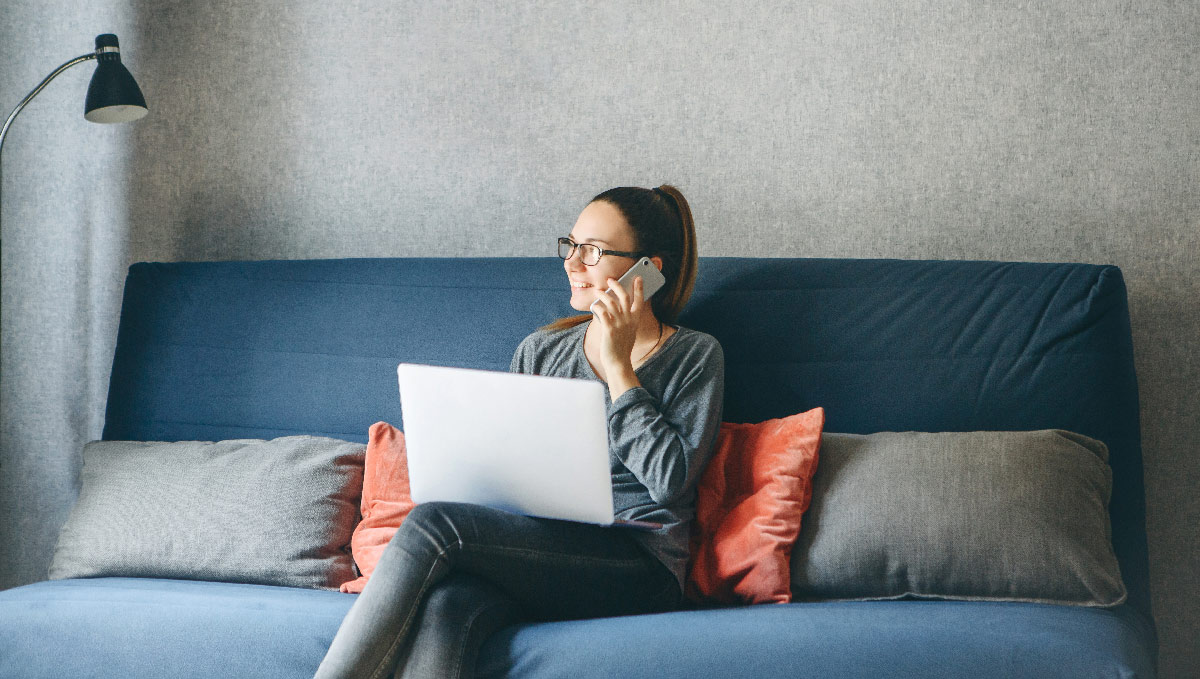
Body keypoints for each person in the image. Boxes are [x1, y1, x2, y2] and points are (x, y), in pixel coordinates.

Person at [314, 185, 725, 679]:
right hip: (540, 550)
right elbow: (512, 470)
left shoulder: (696, 355)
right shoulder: (542, 352)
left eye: (592, 251)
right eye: (570, 245)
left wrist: (619, 371)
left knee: (434, 524)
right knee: (449, 605)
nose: (573, 263)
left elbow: (669, 479)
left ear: (650, 270)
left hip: (640, 566)